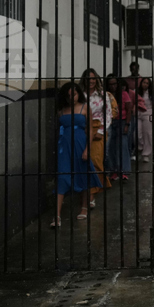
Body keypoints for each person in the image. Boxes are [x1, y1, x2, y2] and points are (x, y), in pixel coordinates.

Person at [54, 82, 102, 226]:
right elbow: (59, 129)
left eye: (74, 94)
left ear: (78, 94)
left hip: (81, 144)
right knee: (62, 177)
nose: (71, 98)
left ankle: (84, 208)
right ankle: (56, 216)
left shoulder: (85, 107)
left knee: (83, 174)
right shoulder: (61, 110)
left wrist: (88, 149)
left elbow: (90, 129)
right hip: (65, 146)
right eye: (68, 95)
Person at [80, 68, 113, 208]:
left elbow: (108, 114)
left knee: (96, 161)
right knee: (83, 162)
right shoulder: (80, 95)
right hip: (82, 130)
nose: (91, 81)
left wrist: (101, 130)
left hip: (98, 129)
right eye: (88, 78)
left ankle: (92, 195)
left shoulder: (102, 95)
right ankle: (86, 194)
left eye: (93, 78)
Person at [104, 74, 132, 182]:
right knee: (110, 147)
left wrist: (127, 125)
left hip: (122, 121)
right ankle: (114, 170)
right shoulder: (106, 95)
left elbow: (129, 110)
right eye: (110, 84)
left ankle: (124, 171)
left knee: (122, 146)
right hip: (110, 122)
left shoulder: (124, 94)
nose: (113, 86)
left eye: (114, 84)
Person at [136, 77, 154, 162]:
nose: (145, 84)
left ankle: (146, 154)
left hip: (148, 113)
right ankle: (141, 146)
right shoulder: (137, 92)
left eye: (147, 83)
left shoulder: (152, 94)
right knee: (137, 133)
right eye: (143, 82)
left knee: (148, 134)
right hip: (138, 113)